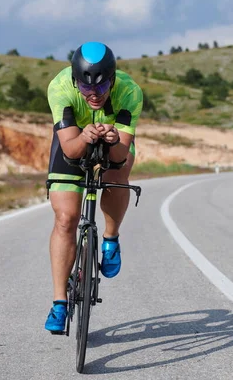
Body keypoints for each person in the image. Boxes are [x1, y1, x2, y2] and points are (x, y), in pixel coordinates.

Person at [44, 41, 143, 332]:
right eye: (87, 90)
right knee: (65, 219)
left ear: (112, 80)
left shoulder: (130, 92)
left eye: (101, 89)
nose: (94, 96)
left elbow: (119, 157)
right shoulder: (60, 87)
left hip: (114, 139)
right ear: (75, 81)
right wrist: (86, 137)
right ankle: (59, 303)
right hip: (75, 138)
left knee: (118, 174)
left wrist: (112, 139)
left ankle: (111, 239)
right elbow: (72, 151)